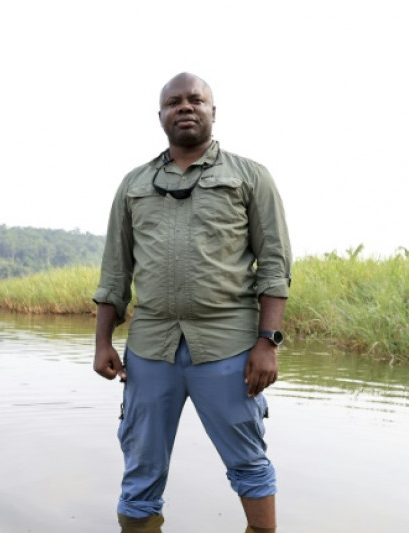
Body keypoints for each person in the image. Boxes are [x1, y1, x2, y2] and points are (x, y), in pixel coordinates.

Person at [93, 72, 292, 533]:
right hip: (150, 350)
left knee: (248, 463)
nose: (186, 107)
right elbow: (114, 272)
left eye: (196, 100)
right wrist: (102, 342)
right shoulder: (134, 184)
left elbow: (275, 265)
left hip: (229, 349)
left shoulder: (250, 176)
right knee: (140, 471)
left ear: (212, 111)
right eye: (174, 102)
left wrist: (268, 343)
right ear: (161, 115)